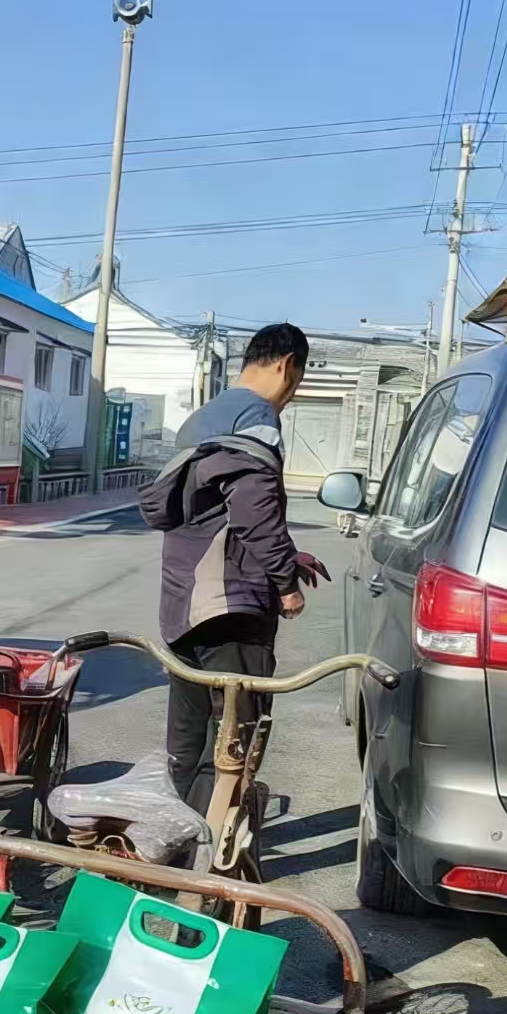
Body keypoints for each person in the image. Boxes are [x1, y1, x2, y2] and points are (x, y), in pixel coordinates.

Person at [138, 321, 328, 813]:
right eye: (297, 380)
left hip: (184, 605)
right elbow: (252, 510)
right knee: (233, 742)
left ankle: (174, 838)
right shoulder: (257, 417)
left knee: (188, 741)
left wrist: (288, 556)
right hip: (232, 608)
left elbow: (212, 514)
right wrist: (285, 583)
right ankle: (210, 849)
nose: (291, 394)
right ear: (287, 366)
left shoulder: (204, 418)